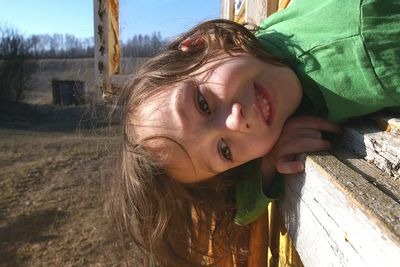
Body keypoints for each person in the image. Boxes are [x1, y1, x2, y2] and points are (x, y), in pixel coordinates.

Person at [107, 0, 399, 265]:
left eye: (203, 104)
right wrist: (268, 164)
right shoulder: (262, 44)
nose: (236, 124)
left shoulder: (370, 49)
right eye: (225, 150)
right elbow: (239, 209)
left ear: (199, 46)